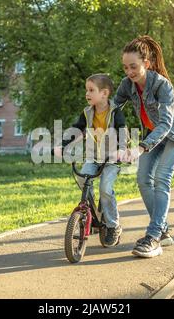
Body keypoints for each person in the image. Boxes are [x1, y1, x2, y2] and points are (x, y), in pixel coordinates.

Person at [114, 35, 174, 258]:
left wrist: (140, 147)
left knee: (162, 178)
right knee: (142, 179)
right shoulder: (127, 85)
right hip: (153, 136)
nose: (129, 71)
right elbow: (112, 107)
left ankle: (154, 236)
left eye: (134, 66)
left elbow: (166, 124)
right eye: (126, 67)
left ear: (146, 64)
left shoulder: (161, 85)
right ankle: (164, 231)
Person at [54, 73, 128, 247]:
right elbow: (76, 129)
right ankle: (92, 213)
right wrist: (62, 145)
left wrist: (122, 150)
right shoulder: (87, 112)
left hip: (111, 159)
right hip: (93, 157)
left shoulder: (115, 112)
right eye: (86, 90)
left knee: (105, 188)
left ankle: (112, 225)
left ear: (104, 93)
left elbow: (123, 131)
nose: (87, 94)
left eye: (91, 90)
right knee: (82, 177)